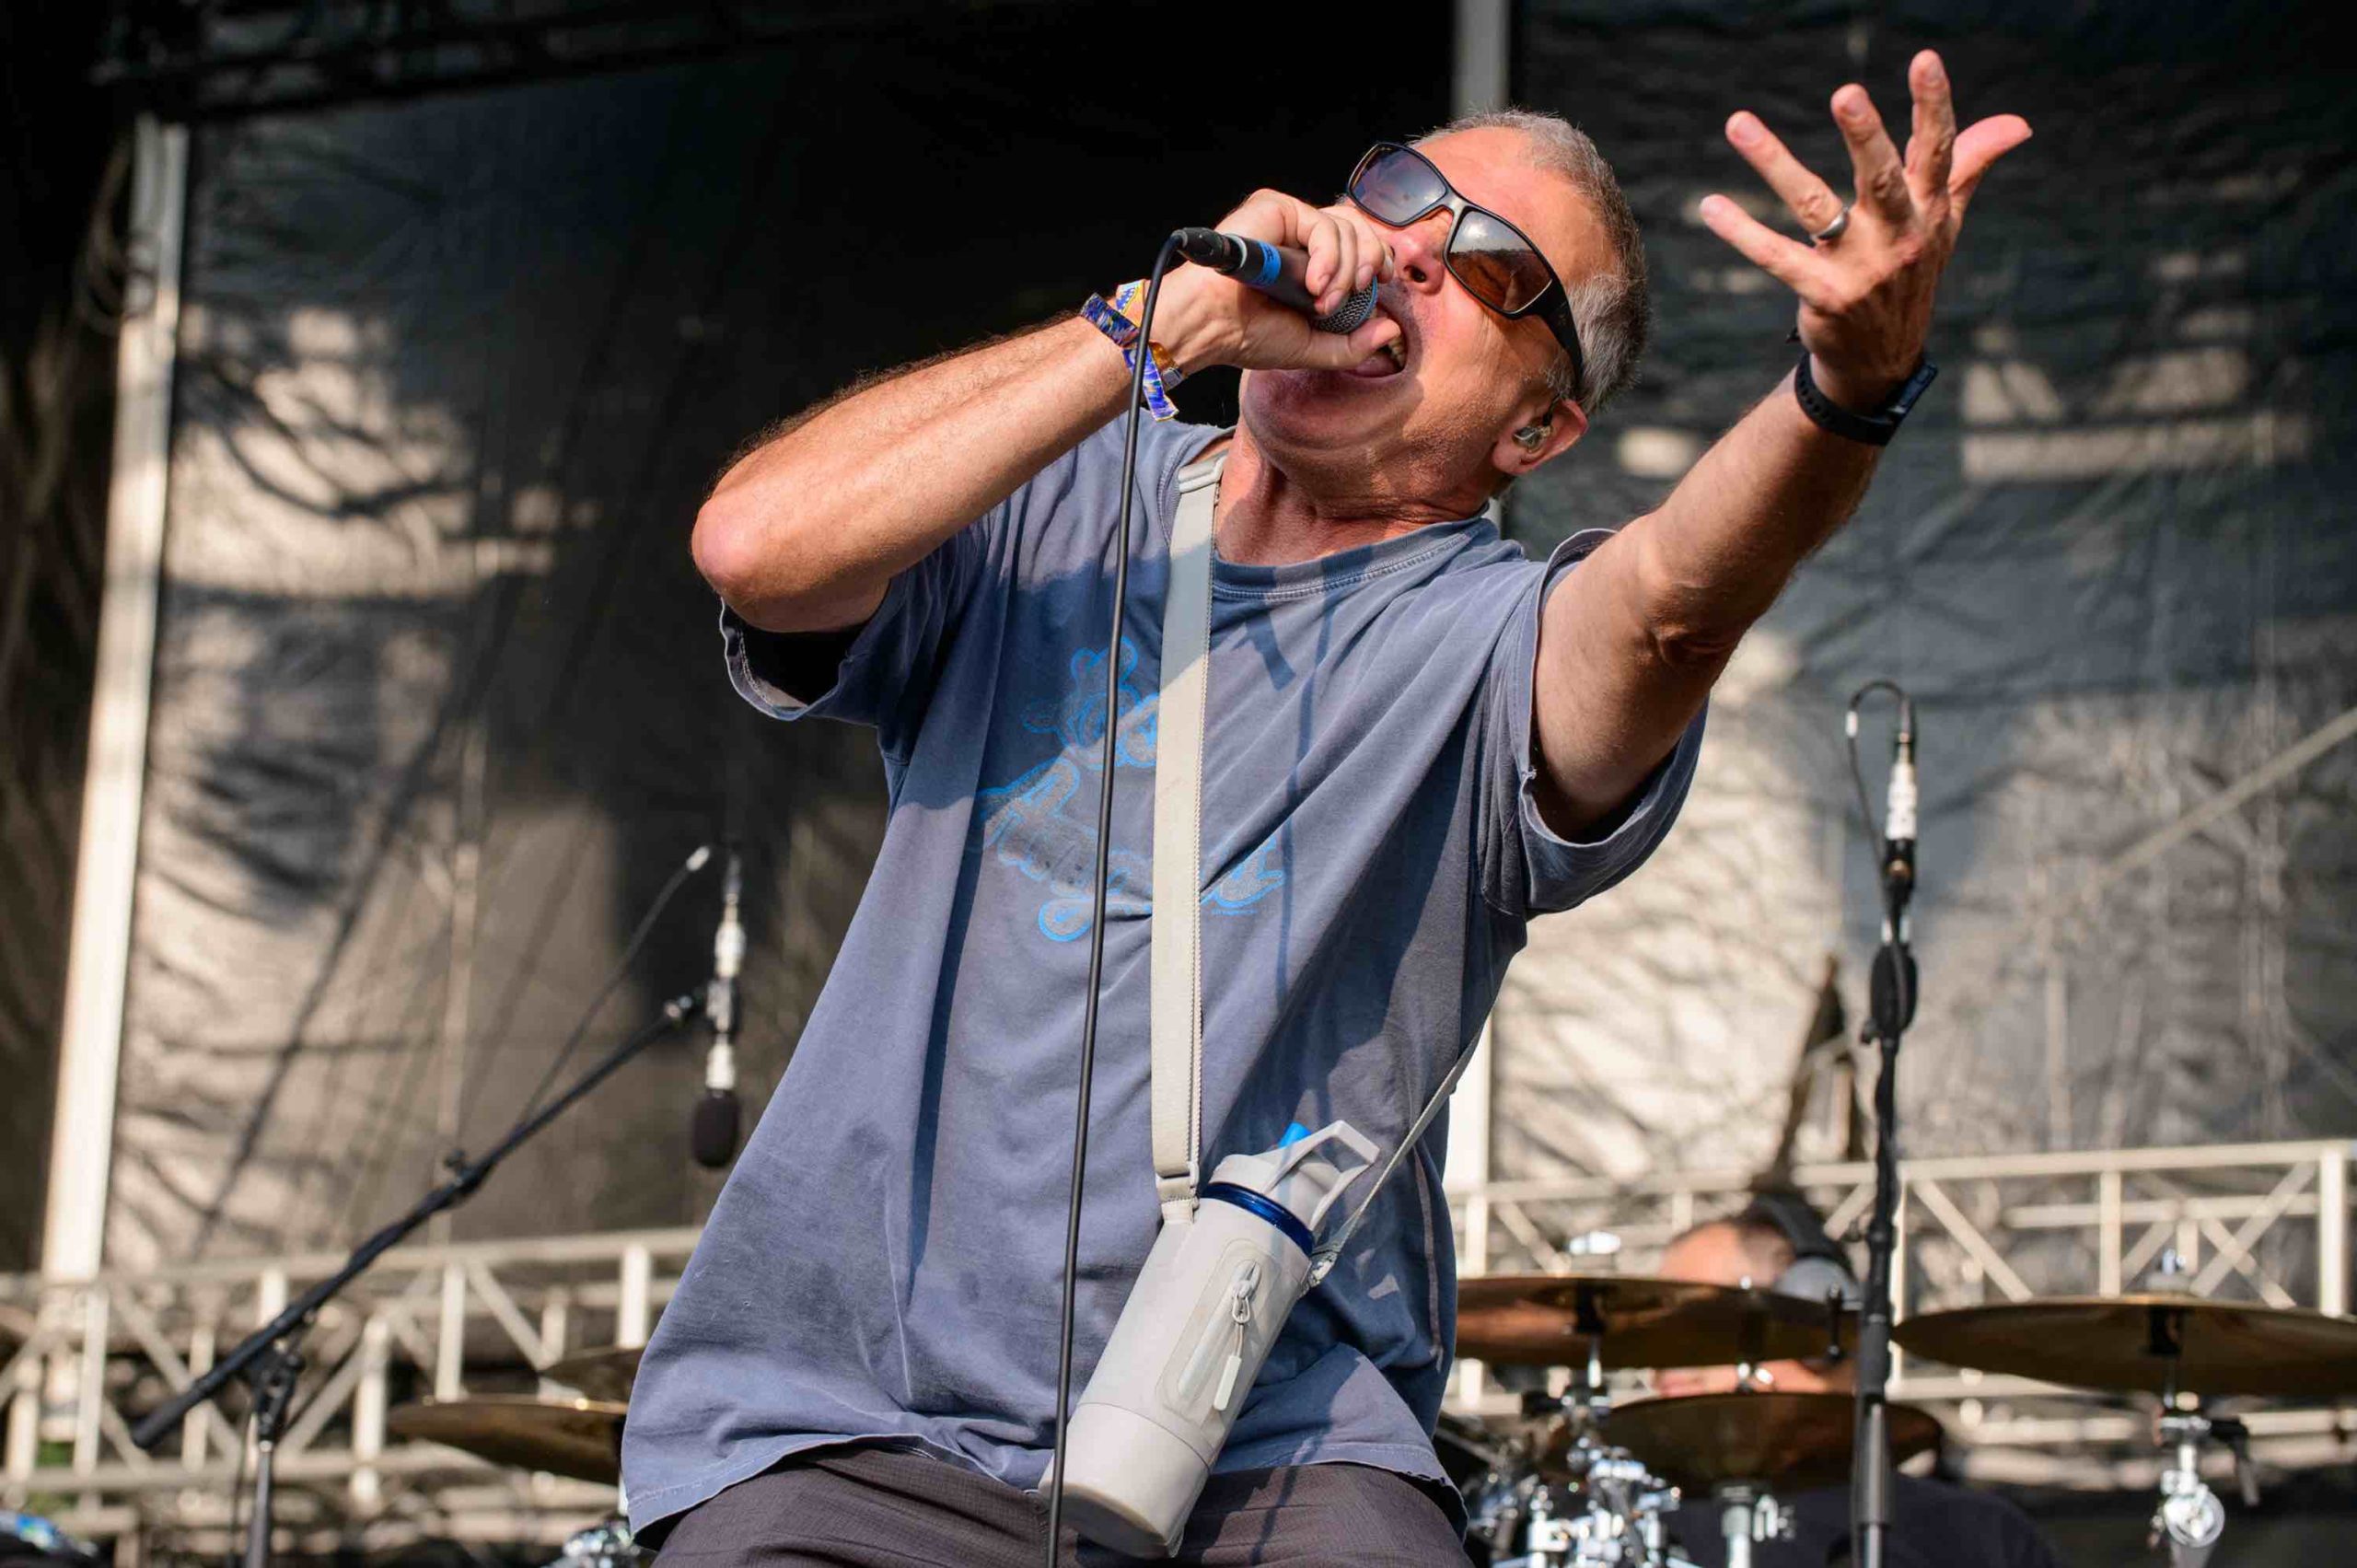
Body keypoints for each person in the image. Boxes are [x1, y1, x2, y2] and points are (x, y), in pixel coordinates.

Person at [622, 55, 2030, 1567]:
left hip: (1265, 1448)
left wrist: (1848, 389)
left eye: (1491, 267)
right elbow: (754, 544)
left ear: (1537, 433)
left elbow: (1672, 608)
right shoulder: (1056, 490)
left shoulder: (1494, 640)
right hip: (859, 1426)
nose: (1418, 249)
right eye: (1404, 199)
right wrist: (1162, 323)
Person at [1651, 1198, 2063, 1567]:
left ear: (1809, 1311)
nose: (1657, 1359)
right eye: (1656, 1329)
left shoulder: (1977, 1537)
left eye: (1692, 1321)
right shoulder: (1627, 1518)